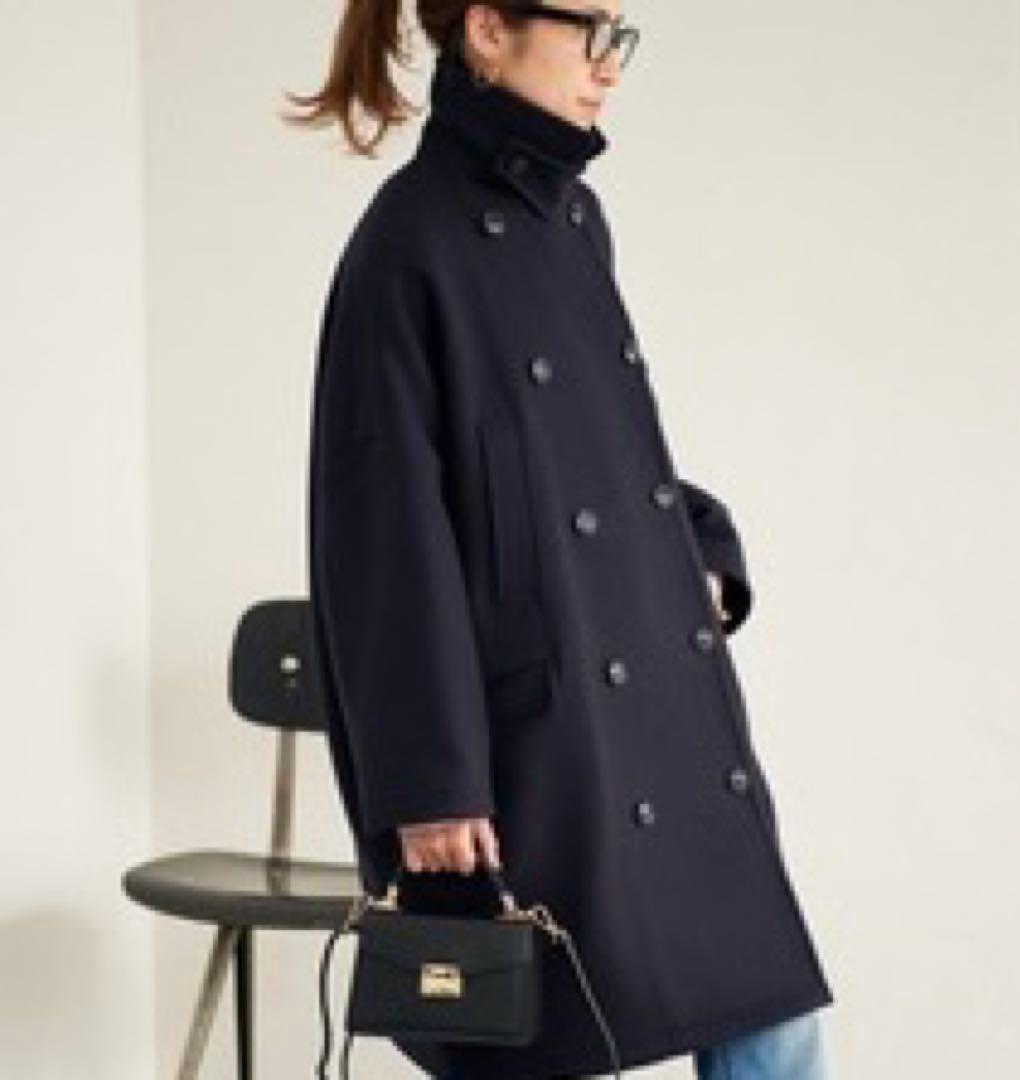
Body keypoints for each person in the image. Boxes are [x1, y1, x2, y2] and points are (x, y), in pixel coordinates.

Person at [292, 2, 835, 1077]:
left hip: (656, 707)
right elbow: (382, 540)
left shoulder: (574, 219)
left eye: (620, 36)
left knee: (769, 1015)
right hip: (534, 729)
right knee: (545, 1037)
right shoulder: (407, 246)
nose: (610, 67)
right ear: (488, 31)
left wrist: (703, 556)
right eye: (589, 31)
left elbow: (602, 451)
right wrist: (430, 780)